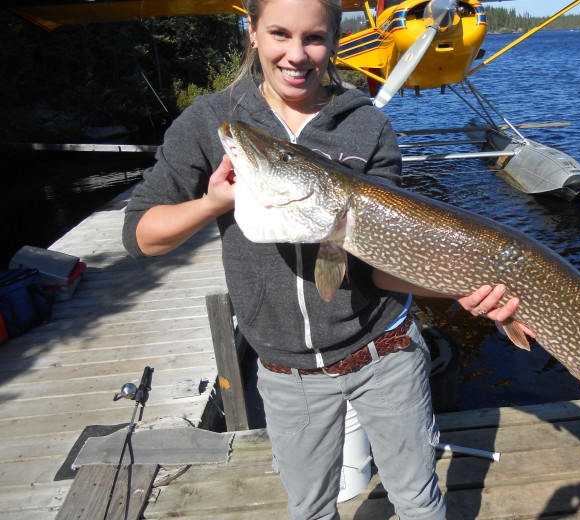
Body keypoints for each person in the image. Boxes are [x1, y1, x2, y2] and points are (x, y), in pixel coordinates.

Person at [122, 0, 531, 518]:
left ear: (335, 40)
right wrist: (212, 204)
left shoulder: (365, 126)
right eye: (279, 34)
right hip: (286, 370)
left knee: (418, 500)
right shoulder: (210, 120)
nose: (297, 54)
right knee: (311, 509)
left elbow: (381, 269)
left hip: (384, 353)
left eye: (314, 38)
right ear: (252, 32)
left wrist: (461, 285)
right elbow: (140, 237)